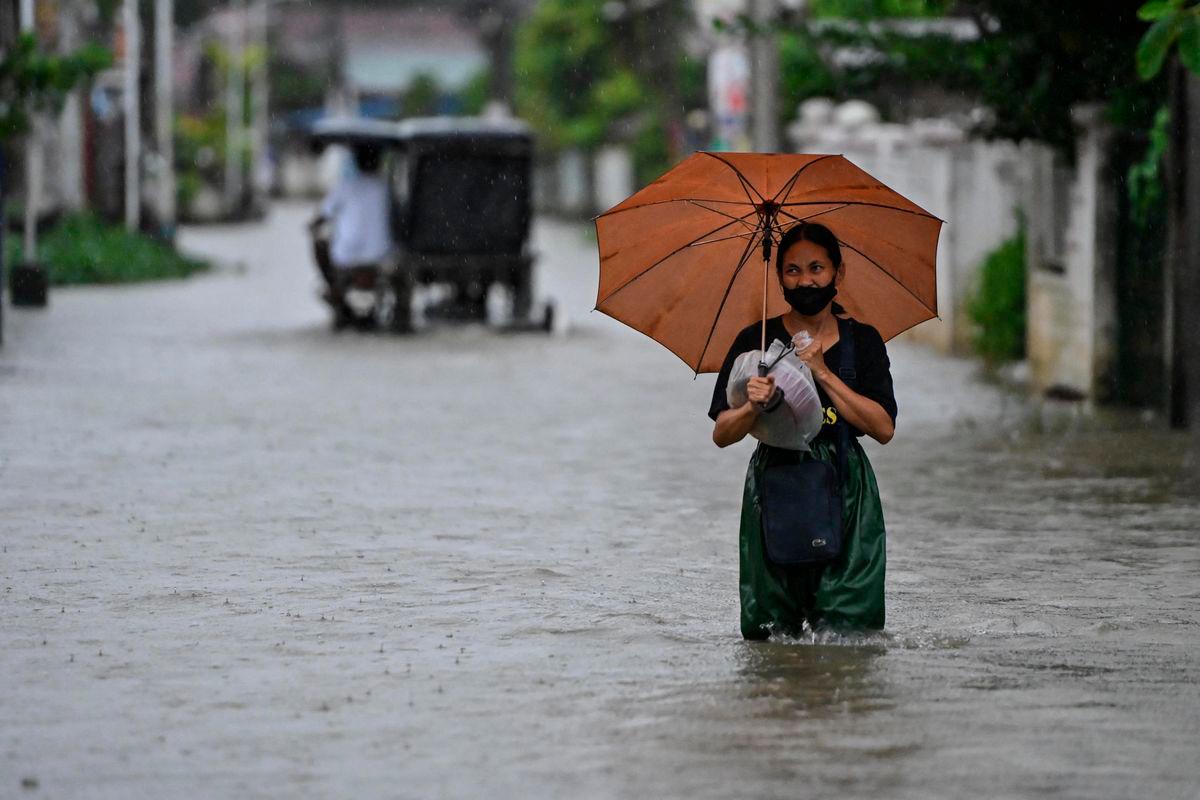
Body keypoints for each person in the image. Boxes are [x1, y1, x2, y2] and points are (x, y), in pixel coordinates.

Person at [709, 222, 897, 640]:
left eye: (816, 268)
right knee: (772, 632)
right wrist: (750, 406)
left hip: (846, 488)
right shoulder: (755, 340)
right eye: (792, 271)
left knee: (850, 634)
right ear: (778, 278)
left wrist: (822, 372)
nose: (805, 280)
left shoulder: (862, 341)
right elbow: (722, 433)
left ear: (838, 273)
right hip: (775, 486)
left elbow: (883, 428)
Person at [310, 143, 393, 325]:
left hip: (346, 257)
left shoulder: (345, 186)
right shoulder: (387, 189)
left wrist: (314, 224)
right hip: (381, 256)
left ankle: (332, 287)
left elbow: (321, 217)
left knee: (318, 241)